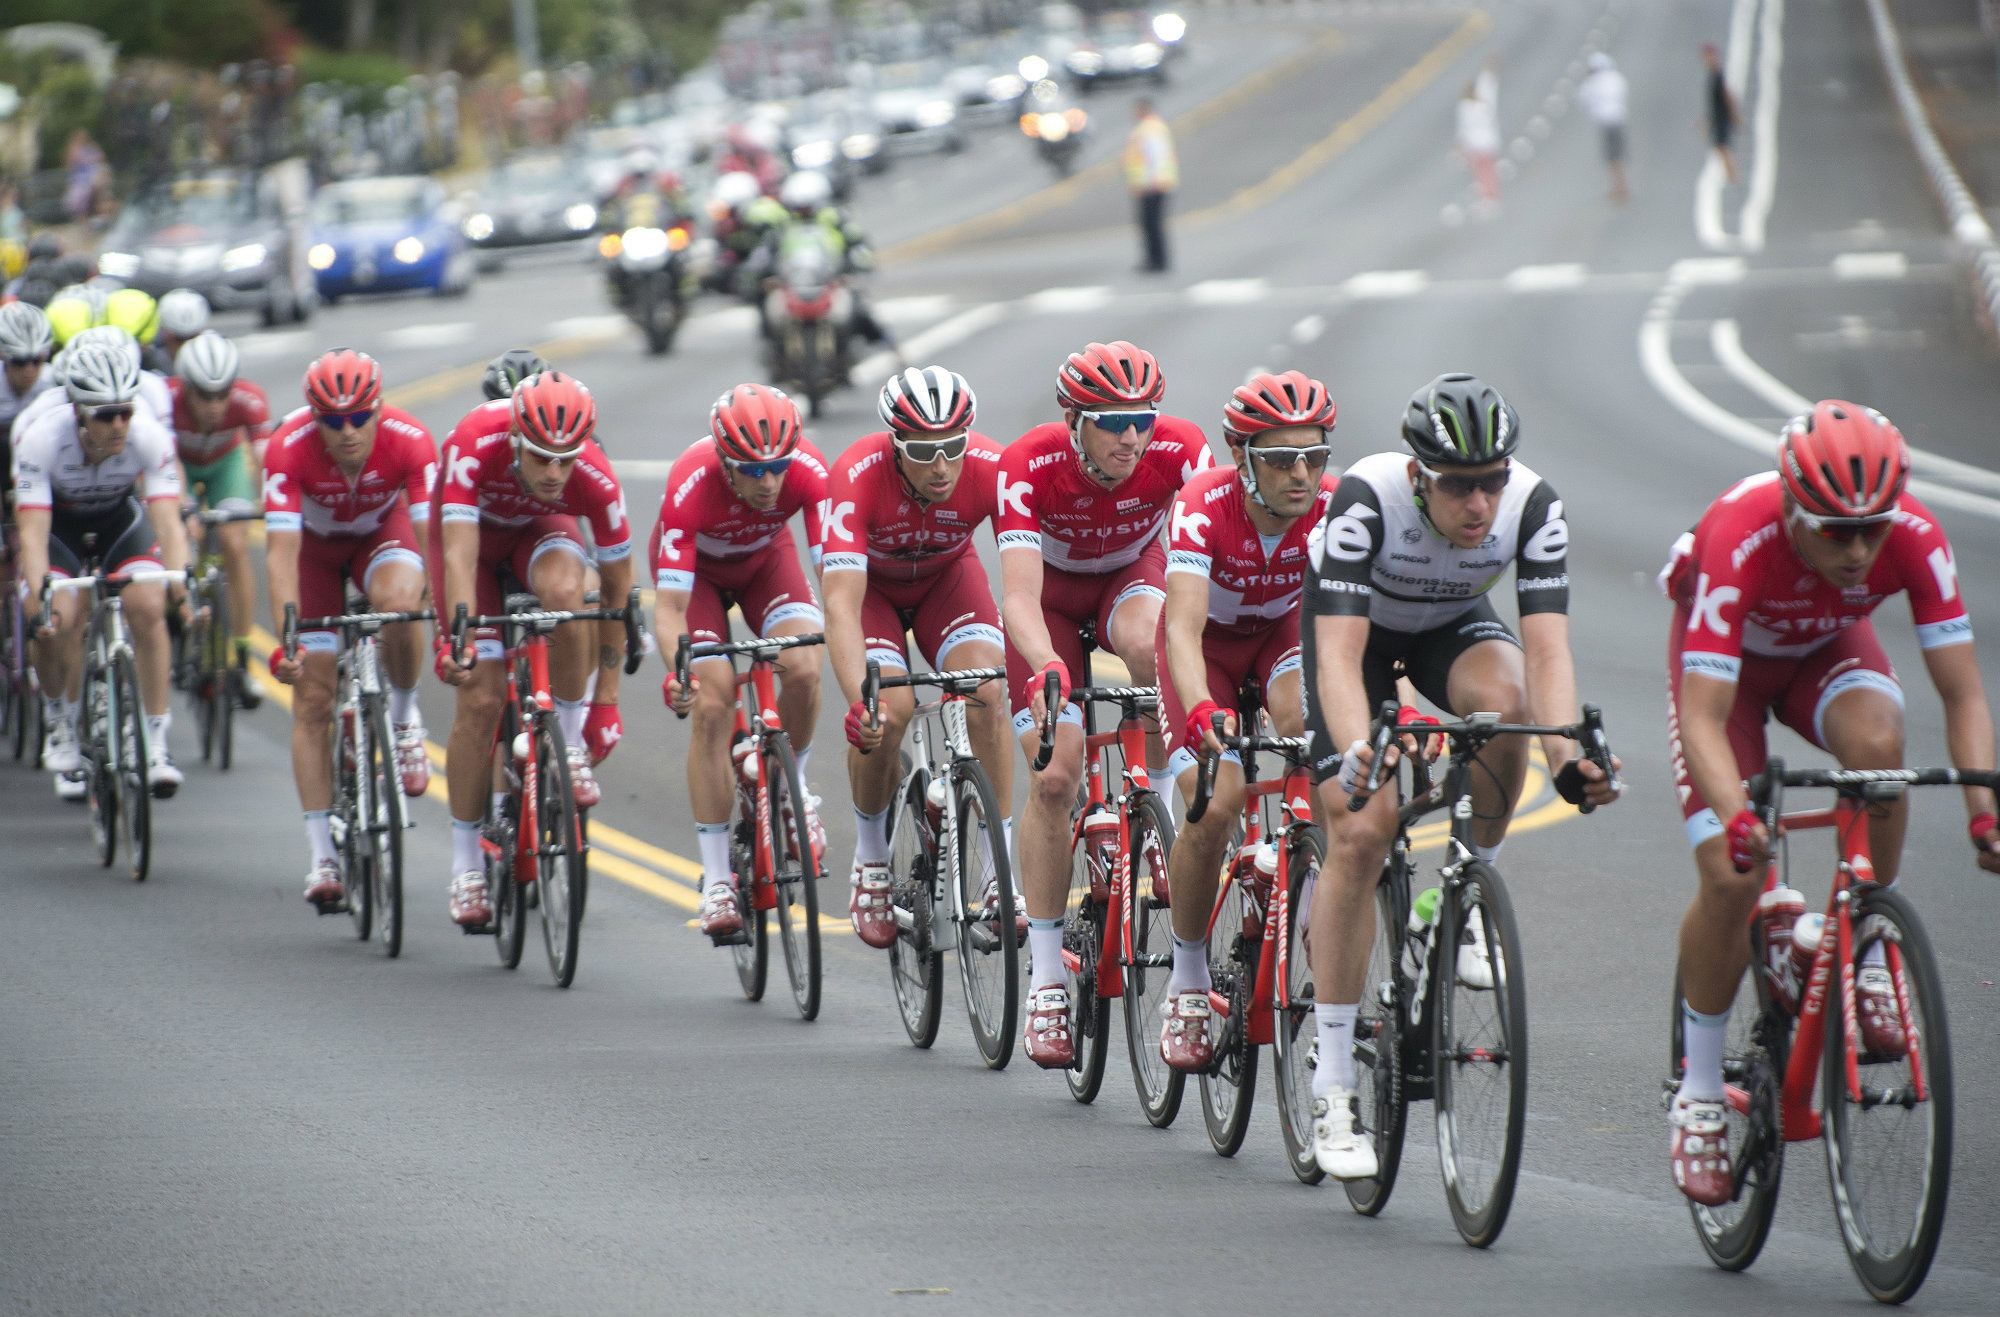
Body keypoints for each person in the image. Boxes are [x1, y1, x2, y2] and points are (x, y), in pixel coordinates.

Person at [1659, 402, 2000, 1205]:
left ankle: (1869, 946)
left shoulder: (1915, 535)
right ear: (1790, 506)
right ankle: (1699, 1092)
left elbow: (1963, 692)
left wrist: (1984, 811)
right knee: (1733, 875)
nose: (1857, 552)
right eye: (1836, 532)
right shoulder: (1739, 534)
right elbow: (1703, 716)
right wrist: (1739, 818)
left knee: (1882, 749)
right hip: (1727, 681)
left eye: (1872, 530)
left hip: (1824, 656)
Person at [1300, 372, 1619, 1177]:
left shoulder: (1532, 506)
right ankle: (1333, 1083)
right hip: (1356, 640)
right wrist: (1359, 750)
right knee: (1362, 829)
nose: (1479, 504)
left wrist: (1569, 761)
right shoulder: (1368, 500)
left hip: (1450, 628)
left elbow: (1547, 653)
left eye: (1491, 481)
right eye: (1457, 486)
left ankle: (1460, 894)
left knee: (1509, 709)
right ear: (1419, 476)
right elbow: (1338, 655)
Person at [997, 340, 1214, 1067]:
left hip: (1130, 575)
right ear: (1073, 421)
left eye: (1141, 420)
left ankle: (1156, 815)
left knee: (1154, 645)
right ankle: (1047, 980)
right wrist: (1047, 666)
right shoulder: (1028, 464)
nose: (1131, 437)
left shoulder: (1179, 447)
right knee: (1056, 779)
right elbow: (1019, 596)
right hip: (1050, 602)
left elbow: (1205, 558)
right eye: (1113, 422)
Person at [1156, 372, 1339, 1070]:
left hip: (1280, 640)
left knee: (1321, 749)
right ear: (1241, 456)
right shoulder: (1202, 504)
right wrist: (1202, 706)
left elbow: (1364, 628)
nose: (1302, 474)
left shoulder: (1334, 507)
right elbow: (1182, 626)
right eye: (1282, 458)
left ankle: (1319, 928)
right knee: (1217, 803)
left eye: (1314, 456)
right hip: (1206, 650)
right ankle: (1187, 981)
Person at [432, 371, 633, 929]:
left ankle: (567, 745)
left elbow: (617, 595)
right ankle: (466, 866)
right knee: (480, 699)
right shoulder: (475, 440)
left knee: (571, 596)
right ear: (516, 439)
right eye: (541, 457)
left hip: (538, 531)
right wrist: (458, 638)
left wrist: (606, 700)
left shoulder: (594, 475)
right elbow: (457, 555)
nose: (554, 473)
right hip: (472, 543)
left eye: (566, 460)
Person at [824, 367, 1011, 948]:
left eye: (953, 447)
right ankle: (871, 861)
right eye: (925, 452)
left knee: (987, 692)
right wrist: (861, 701)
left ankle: (995, 870)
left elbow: (1032, 572)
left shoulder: (991, 467)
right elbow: (840, 605)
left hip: (946, 585)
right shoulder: (856, 475)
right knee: (890, 712)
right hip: (872, 596)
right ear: (895, 445)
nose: (942, 466)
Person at [263, 350, 437, 908]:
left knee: (402, 605)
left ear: (378, 409)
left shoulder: (410, 439)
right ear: (315, 418)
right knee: (313, 700)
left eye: (360, 416)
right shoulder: (287, 447)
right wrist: (288, 640)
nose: (348, 431)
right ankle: (323, 858)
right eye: (334, 421)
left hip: (381, 535)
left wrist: (445, 608)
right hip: (313, 555)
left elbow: (435, 539)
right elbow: (280, 555)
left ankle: (404, 722)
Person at [654, 384, 828, 939]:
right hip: (697, 579)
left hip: (766, 564)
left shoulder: (808, 471)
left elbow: (836, 577)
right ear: (724, 460)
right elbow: (669, 609)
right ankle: (716, 880)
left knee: (803, 666)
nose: (769, 481)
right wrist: (679, 670)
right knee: (713, 701)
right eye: (753, 470)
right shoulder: (690, 481)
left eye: (778, 467)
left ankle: (791, 790)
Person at [14, 341, 192, 799]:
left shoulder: (148, 435)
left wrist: (183, 593)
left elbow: (168, 524)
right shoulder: (40, 437)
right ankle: (59, 719)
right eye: (105, 415)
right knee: (57, 621)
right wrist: (41, 605)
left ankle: (155, 741)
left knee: (148, 605)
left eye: (125, 412)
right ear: (78, 412)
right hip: (60, 526)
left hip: (118, 519)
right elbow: (32, 535)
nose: (118, 425)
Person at [169, 331, 274, 709]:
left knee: (234, 544)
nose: (215, 405)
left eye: (222, 393)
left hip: (224, 467)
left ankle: (242, 659)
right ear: (186, 387)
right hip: (179, 466)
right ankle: (176, 615)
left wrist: (271, 503)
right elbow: (163, 465)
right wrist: (183, 510)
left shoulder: (249, 400)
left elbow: (264, 460)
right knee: (178, 535)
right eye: (204, 395)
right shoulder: (165, 400)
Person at [753, 169, 899, 364]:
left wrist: (860, 262)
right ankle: (774, 354)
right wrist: (759, 270)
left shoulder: (835, 219)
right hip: (794, 282)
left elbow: (856, 242)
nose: (803, 211)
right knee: (767, 307)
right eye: (798, 207)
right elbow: (766, 251)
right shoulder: (784, 225)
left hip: (831, 280)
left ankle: (887, 343)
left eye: (807, 206)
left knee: (859, 308)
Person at [1124, 98, 1177, 272]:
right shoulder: (1149, 128)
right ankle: (1154, 260)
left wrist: (1150, 183)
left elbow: (1155, 158)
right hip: (1152, 184)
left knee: (1152, 225)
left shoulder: (1150, 129)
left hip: (1153, 186)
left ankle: (1157, 261)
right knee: (1149, 225)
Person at [1578, 52, 1629, 203]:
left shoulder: (1593, 82)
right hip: (1618, 119)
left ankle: (1620, 187)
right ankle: (1620, 186)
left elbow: (1582, 98)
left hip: (1606, 122)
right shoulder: (1616, 78)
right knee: (1617, 155)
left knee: (1613, 156)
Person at [1456, 67, 1501, 210]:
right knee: (1486, 170)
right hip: (1487, 142)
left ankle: (1488, 197)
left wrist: (1462, 146)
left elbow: (1463, 128)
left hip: (1478, 143)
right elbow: (1490, 87)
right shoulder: (1481, 105)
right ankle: (1490, 196)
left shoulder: (1466, 107)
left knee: (1482, 171)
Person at [1703, 42, 1738, 185]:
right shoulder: (1714, 74)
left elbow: (1727, 95)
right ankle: (1730, 176)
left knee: (1723, 146)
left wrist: (1734, 115)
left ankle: (1733, 176)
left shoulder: (1718, 75)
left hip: (1722, 117)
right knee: (1720, 146)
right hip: (1718, 117)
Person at [155, 289, 211, 368]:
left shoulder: (213, 352)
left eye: (192, 339)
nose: (184, 347)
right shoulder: (151, 359)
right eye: (178, 340)